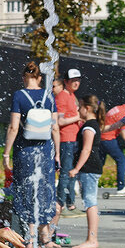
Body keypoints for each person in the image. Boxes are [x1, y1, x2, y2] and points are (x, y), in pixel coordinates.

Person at [3, 61, 60, 248]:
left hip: (25, 151)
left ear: (24, 77)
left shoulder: (19, 95)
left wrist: (6, 154)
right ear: (40, 78)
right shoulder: (49, 95)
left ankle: (31, 238)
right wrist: (57, 153)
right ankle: (46, 237)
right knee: (45, 190)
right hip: (45, 151)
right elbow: (55, 128)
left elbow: (13, 127)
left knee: (27, 192)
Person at [69, 95, 104, 248]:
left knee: (90, 202)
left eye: (80, 106)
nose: (78, 109)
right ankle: (91, 238)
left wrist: (76, 168)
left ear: (87, 108)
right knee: (89, 201)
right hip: (91, 168)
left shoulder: (89, 126)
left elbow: (87, 149)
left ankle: (92, 239)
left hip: (89, 167)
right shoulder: (92, 124)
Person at [54, 68, 83, 214]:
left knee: (72, 173)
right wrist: (78, 117)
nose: (76, 83)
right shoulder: (62, 96)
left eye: (78, 80)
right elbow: (59, 121)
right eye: (73, 80)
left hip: (74, 139)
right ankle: (61, 204)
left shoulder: (72, 96)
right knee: (65, 173)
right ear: (66, 82)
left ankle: (70, 203)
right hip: (66, 140)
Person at [100, 104, 125, 195]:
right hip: (109, 139)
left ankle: (83, 184)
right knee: (121, 160)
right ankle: (121, 187)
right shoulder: (124, 114)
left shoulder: (118, 108)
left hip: (101, 139)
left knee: (100, 163)